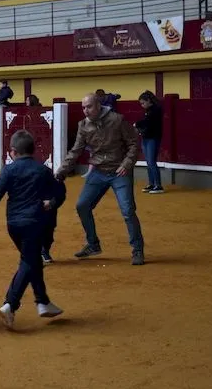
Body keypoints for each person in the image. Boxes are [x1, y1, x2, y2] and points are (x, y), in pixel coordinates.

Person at [0, 130, 65, 329]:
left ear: (13, 152)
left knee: (31, 260)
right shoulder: (42, 170)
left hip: (13, 225)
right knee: (29, 261)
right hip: (34, 223)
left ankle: (43, 301)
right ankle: (11, 304)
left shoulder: (9, 170)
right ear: (33, 150)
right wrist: (50, 204)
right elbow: (60, 194)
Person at [55, 93, 145, 265]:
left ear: (98, 106)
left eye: (88, 107)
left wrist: (126, 164)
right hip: (98, 171)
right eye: (83, 107)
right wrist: (61, 172)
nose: (85, 111)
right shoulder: (83, 125)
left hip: (120, 172)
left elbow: (133, 143)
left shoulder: (117, 120)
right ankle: (93, 244)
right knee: (82, 206)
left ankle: (138, 249)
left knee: (127, 211)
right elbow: (75, 151)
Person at [135, 90, 164, 194]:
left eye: (143, 103)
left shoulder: (156, 110)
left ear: (148, 101)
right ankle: (152, 184)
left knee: (151, 161)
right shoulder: (150, 110)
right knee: (149, 162)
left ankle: (158, 185)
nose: (142, 105)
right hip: (146, 137)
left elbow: (148, 122)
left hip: (153, 138)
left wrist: (137, 124)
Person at [41, 178, 67, 264]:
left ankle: (44, 250)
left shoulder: (55, 176)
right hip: (29, 206)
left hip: (49, 208)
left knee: (48, 230)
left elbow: (61, 194)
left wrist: (52, 202)